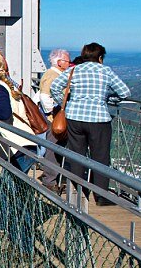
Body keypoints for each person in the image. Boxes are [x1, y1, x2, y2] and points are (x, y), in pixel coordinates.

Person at [50, 42, 130, 205]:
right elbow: (125, 92)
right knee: (100, 157)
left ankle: (78, 193)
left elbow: (55, 87)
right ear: (100, 58)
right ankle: (101, 197)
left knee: (76, 155)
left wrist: (67, 104)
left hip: (75, 117)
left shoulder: (74, 70)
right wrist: (107, 99)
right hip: (99, 119)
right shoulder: (106, 71)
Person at [37, 49, 70, 191]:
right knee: (53, 148)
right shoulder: (52, 75)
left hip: (54, 116)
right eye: (67, 61)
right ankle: (50, 180)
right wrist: (52, 112)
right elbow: (44, 95)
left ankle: (52, 178)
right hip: (54, 118)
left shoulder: (52, 74)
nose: (69, 63)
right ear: (59, 62)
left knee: (54, 147)